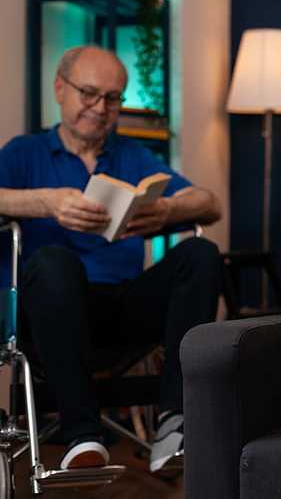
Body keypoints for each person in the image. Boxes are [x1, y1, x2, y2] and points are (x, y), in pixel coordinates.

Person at [0, 46, 222, 473]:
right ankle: (81, 435)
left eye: (113, 98)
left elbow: (209, 203)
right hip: (49, 312)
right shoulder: (23, 153)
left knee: (201, 253)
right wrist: (44, 203)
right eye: (89, 93)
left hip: (120, 307)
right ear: (60, 89)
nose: (100, 108)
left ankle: (175, 423)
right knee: (51, 261)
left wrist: (169, 211)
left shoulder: (131, 156)